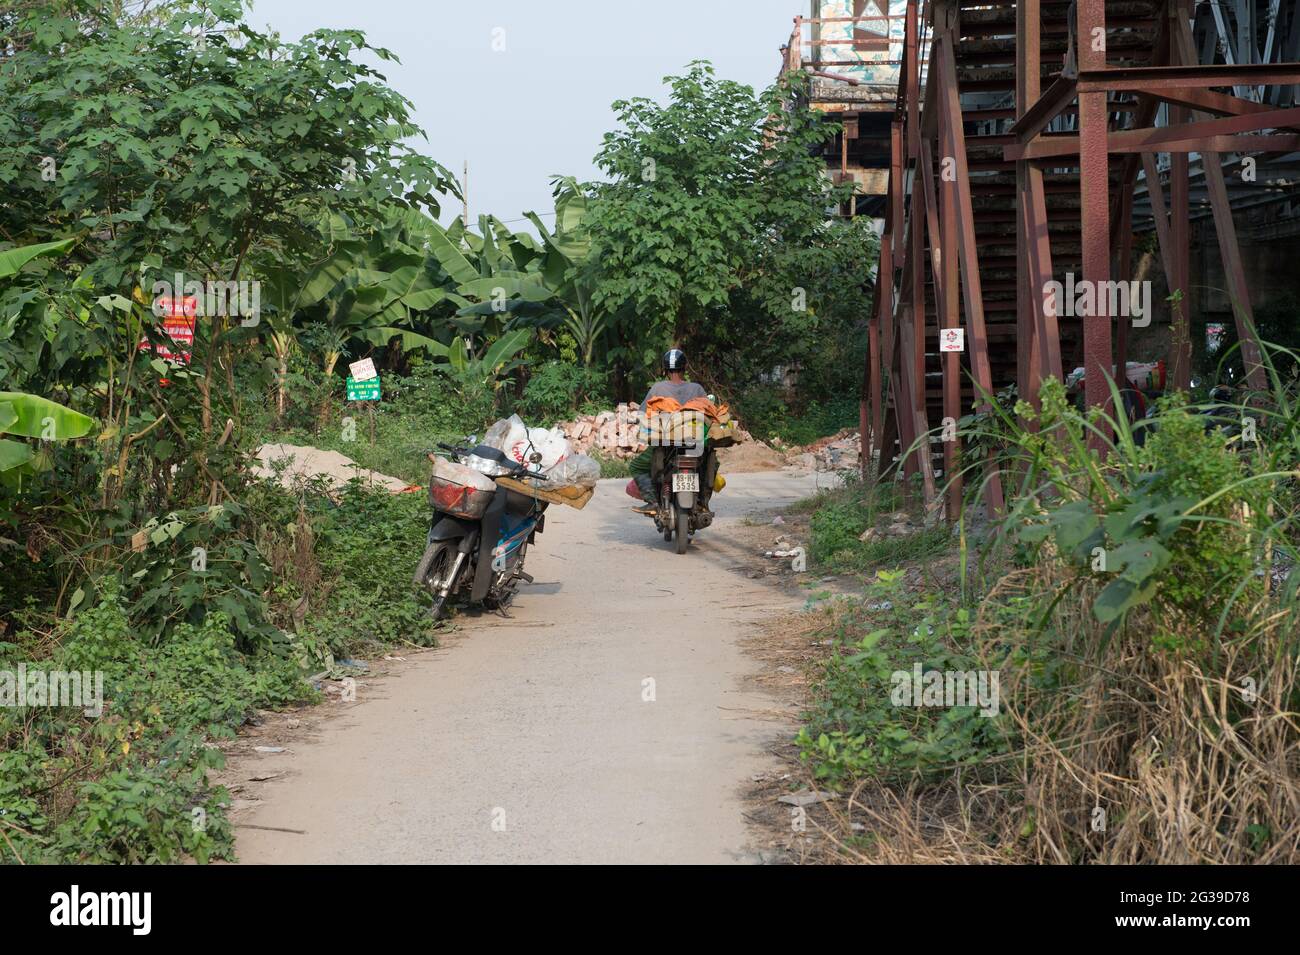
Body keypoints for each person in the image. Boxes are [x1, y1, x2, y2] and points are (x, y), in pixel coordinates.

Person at [630, 348, 707, 512]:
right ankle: (703, 502)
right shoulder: (697, 389)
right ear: (684, 367)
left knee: (636, 466)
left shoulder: (657, 388)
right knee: (712, 464)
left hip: (665, 445)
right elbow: (710, 414)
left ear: (665, 369)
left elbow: (643, 413)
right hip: (694, 446)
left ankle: (652, 501)